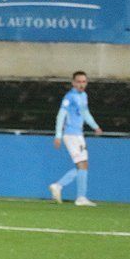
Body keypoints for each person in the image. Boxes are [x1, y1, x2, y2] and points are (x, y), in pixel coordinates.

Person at [49, 71, 102, 206]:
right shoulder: (70, 97)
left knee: (83, 165)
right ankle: (80, 197)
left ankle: (59, 186)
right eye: (78, 82)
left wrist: (95, 126)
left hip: (78, 134)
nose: (81, 84)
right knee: (82, 165)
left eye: (83, 82)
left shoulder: (83, 96)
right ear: (73, 83)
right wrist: (58, 135)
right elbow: (61, 116)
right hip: (71, 134)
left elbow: (85, 113)